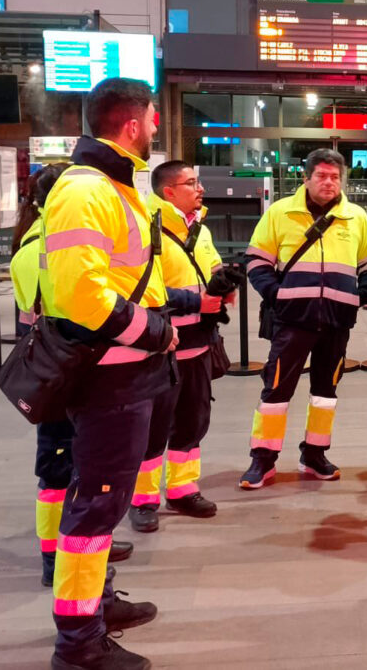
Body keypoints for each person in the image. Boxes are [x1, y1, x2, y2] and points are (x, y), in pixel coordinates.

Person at [41, 77, 183, 670]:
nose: (156, 129)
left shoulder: (114, 188)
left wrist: (179, 303)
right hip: (109, 376)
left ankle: (94, 604)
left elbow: (129, 278)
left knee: (102, 499)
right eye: (153, 119)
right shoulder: (87, 190)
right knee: (95, 508)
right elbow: (83, 296)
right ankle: (78, 642)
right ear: (133, 124)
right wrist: (155, 329)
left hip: (125, 372)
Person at [12, 164, 135, 587]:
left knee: (65, 462)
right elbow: (76, 305)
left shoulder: (35, 238)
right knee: (59, 466)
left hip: (57, 363)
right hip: (64, 366)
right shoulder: (47, 244)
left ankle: (69, 550)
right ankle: (54, 556)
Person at [240, 149, 367, 489]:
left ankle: (315, 454)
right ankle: (263, 460)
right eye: (321, 175)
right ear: (305, 178)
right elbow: (257, 261)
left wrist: (361, 294)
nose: (329, 182)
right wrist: (277, 295)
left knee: (325, 393)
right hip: (292, 321)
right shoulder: (280, 213)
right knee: (275, 391)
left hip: (336, 323)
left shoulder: (356, 217)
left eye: (335, 176)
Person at [128, 161, 231, 532]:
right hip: (162, 345)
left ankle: (183, 489)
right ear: (168, 191)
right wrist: (195, 302)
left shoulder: (198, 225)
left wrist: (223, 282)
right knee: (155, 427)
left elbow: (210, 265)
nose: (200, 188)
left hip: (200, 343)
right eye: (191, 183)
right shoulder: (146, 226)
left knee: (193, 421)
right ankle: (142, 499)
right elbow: (141, 288)